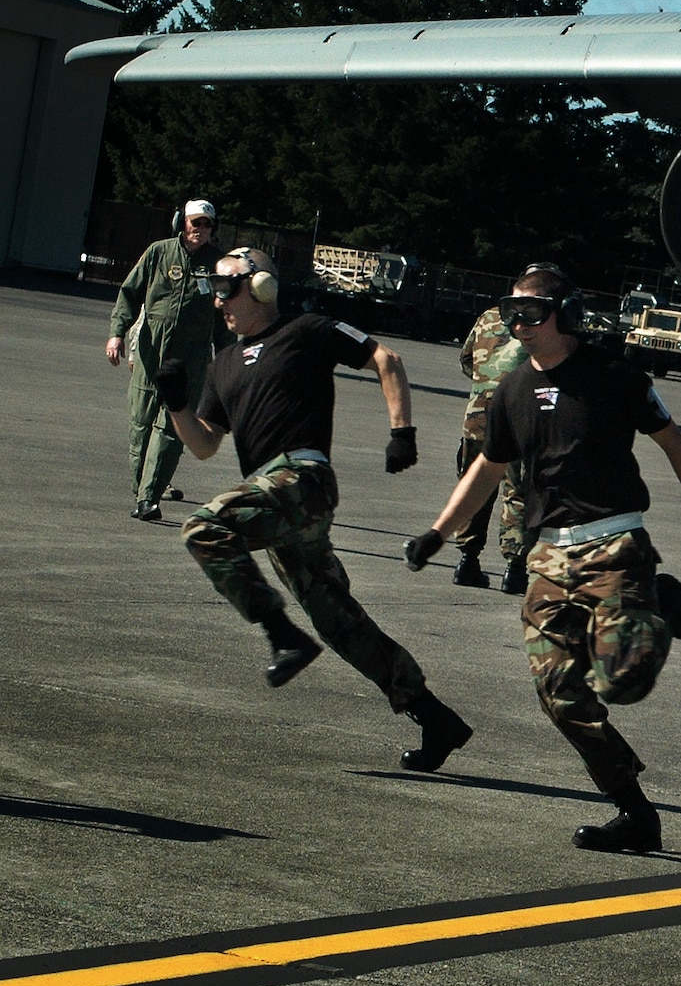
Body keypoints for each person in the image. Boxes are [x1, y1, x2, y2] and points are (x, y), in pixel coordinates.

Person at [405, 263, 681, 854]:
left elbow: (675, 444)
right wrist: (438, 531)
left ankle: (663, 601)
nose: (519, 325)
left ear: (567, 314)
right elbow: (489, 465)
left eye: (531, 314)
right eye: (510, 315)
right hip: (548, 556)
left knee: (623, 682)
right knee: (559, 693)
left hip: (614, 546)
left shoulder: (614, 374)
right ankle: (635, 814)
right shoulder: (510, 390)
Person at [155, 247, 473, 773]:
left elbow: (385, 359)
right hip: (274, 500)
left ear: (261, 286)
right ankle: (433, 716)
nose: (219, 301)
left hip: (302, 479)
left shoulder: (307, 330)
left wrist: (402, 433)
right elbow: (206, 444)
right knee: (338, 621)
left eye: (227, 287)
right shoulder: (224, 364)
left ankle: (281, 636)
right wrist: (177, 404)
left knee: (202, 526)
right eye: (213, 289)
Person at [106, 199, 230, 521]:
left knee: (172, 430)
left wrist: (228, 362)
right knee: (140, 425)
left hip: (189, 361)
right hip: (150, 356)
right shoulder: (158, 253)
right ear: (181, 223)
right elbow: (130, 293)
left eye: (206, 225)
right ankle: (142, 490)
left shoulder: (219, 266)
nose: (200, 230)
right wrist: (117, 333)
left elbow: (224, 318)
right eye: (195, 222)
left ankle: (149, 498)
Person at [449, 300, 530, 592]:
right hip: (518, 422)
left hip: (478, 417)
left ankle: (467, 562)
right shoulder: (544, 322)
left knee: (475, 488)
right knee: (519, 493)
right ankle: (515, 570)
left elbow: (467, 359)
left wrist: (489, 383)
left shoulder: (489, 316)